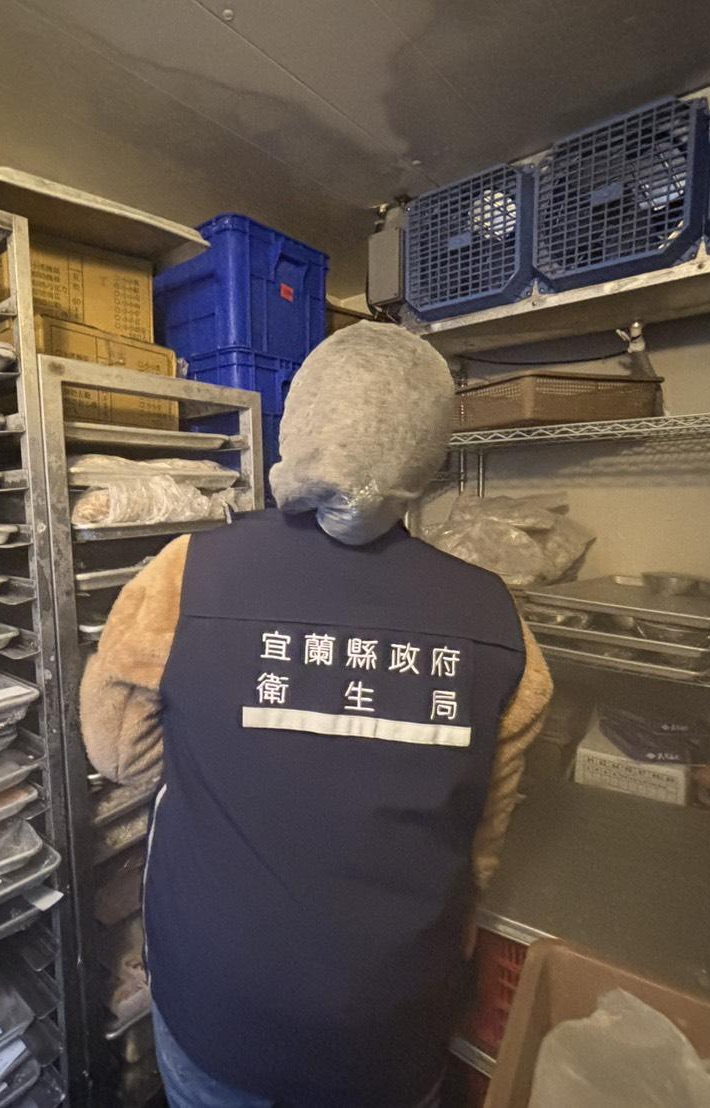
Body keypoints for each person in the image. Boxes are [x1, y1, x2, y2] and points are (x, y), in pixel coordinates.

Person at [80, 321, 553, 1107]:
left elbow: (119, 754)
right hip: (390, 1022)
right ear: (427, 456)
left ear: (295, 426)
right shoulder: (497, 620)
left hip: (216, 1003)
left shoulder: (185, 574)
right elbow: (479, 841)